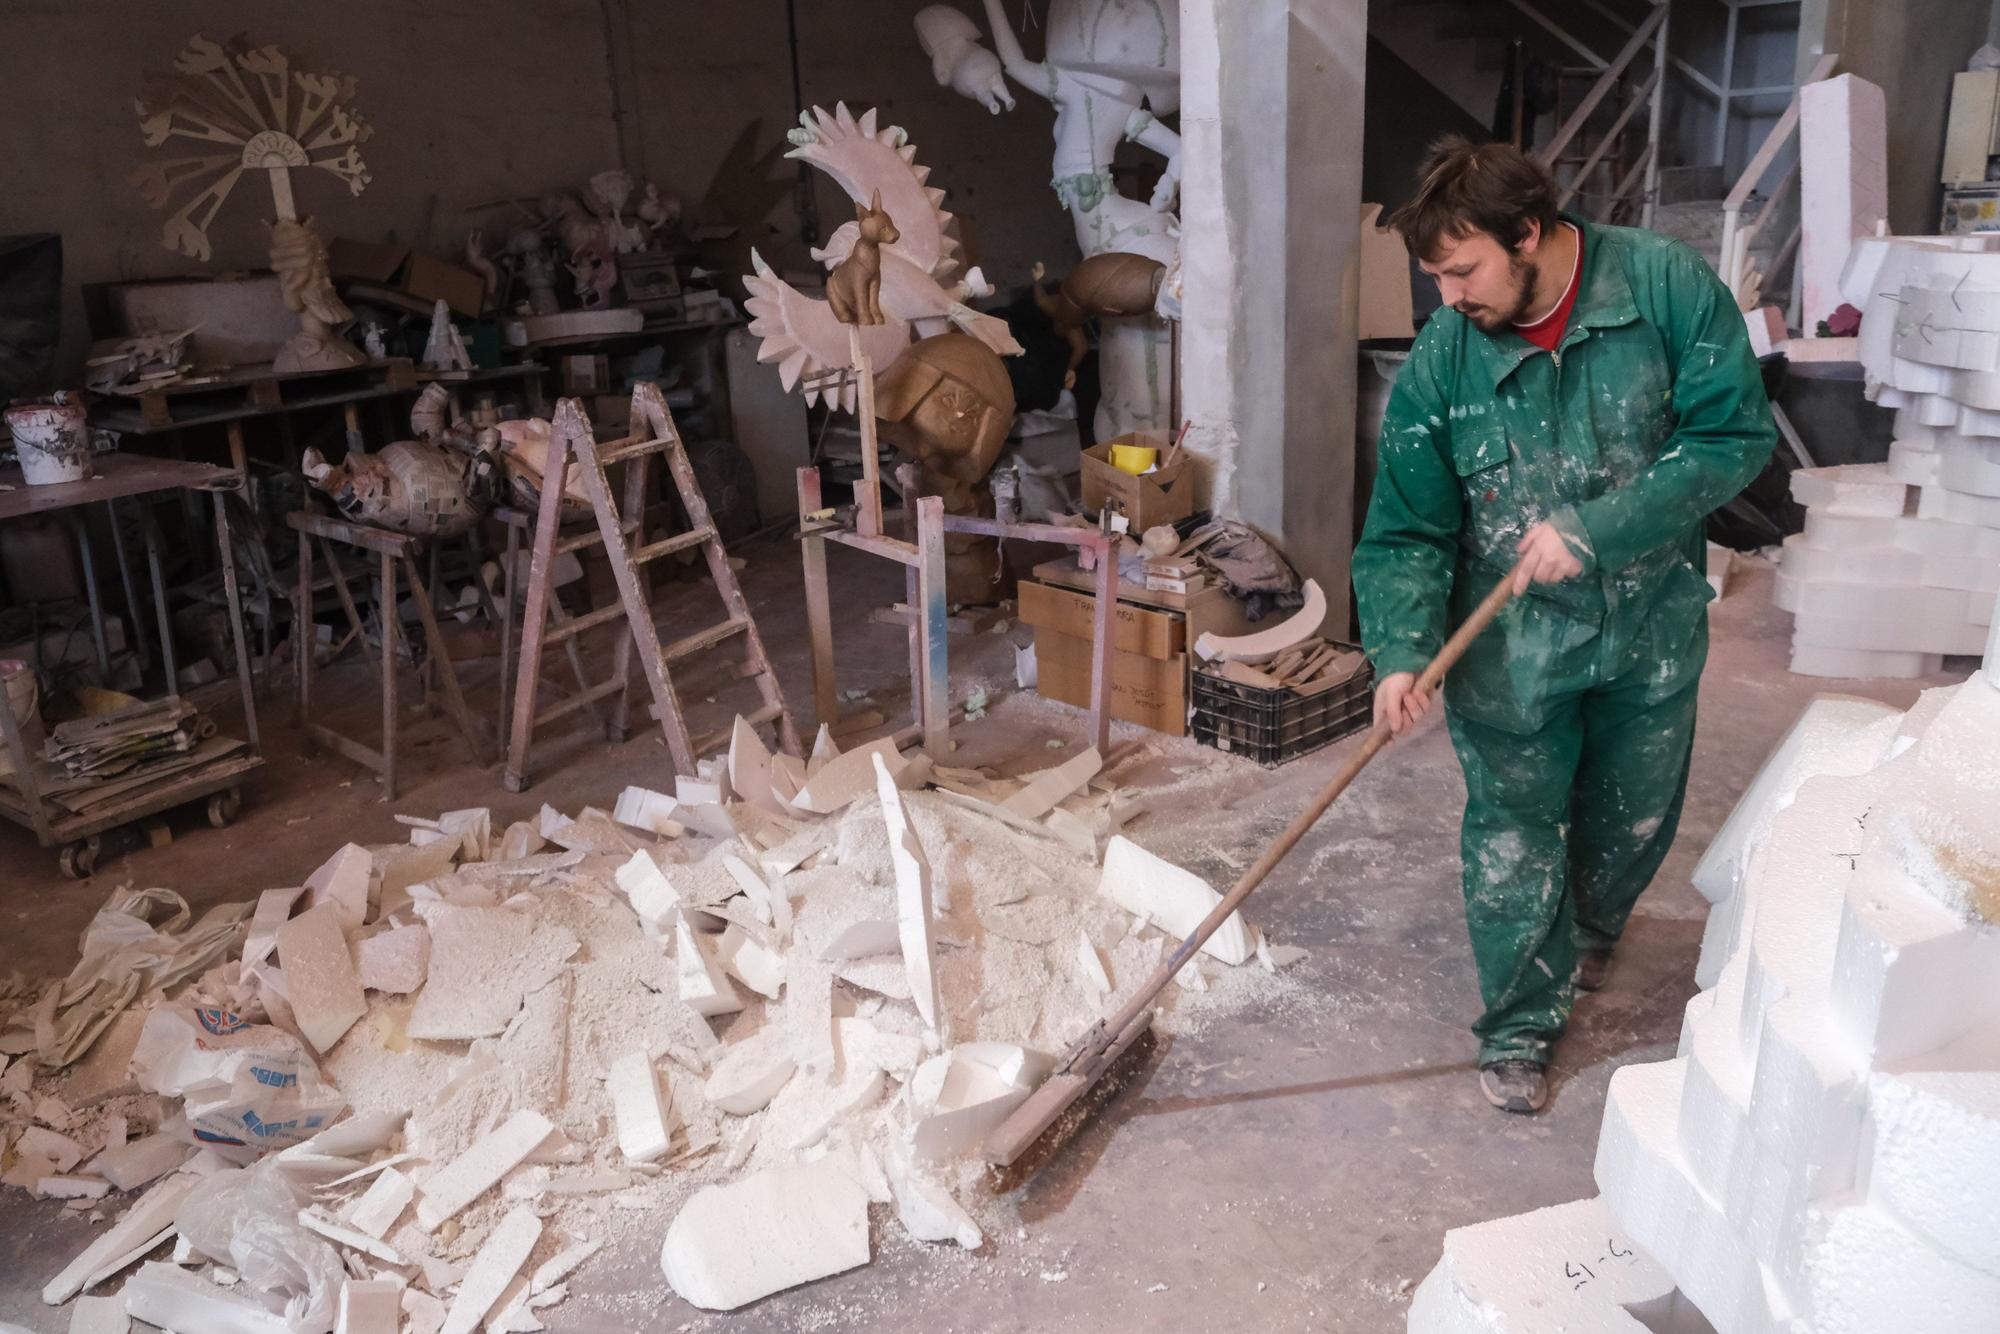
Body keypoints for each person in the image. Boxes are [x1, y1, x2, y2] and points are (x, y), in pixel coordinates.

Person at [1352, 136, 1774, 1114]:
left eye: (1462, 271)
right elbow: (1404, 530)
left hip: (1648, 623)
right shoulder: (1442, 357)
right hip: (1510, 649)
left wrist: (1597, 528)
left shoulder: (1662, 288)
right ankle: (1517, 1024)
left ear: (1528, 236)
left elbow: (1732, 436)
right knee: (1513, 834)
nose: (1446, 296)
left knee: (1629, 814)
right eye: (1434, 277)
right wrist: (1400, 654)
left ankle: (1585, 930)